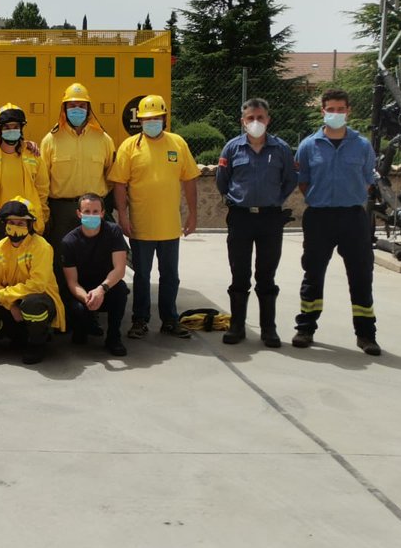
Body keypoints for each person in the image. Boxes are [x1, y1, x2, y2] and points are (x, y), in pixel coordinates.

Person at [292, 88, 381, 355]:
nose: (335, 114)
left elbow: (368, 181)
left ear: (348, 111)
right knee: (313, 273)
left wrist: (348, 197)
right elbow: (303, 182)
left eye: (340, 109)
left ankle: (366, 335)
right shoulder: (309, 145)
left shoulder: (362, 145)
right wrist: (322, 200)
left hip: (353, 217)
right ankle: (305, 328)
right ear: (323, 111)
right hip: (319, 217)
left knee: (361, 275)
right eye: (330, 109)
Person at [110, 94, 199, 339]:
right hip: (141, 226)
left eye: (156, 118)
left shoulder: (178, 143)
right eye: (146, 119)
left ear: (164, 118)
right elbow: (119, 184)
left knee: (170, 276)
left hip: (170, 226)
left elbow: (189, 179)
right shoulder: (130, 146)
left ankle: (170, 319)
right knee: (141, 276)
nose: (151, 122)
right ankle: (140, 319)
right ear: (140, 120)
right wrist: (123, 217)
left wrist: (193, 214)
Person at [215, 97, 298, 348]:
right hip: (240, 218)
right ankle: (237, 326)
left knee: (267, 275)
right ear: (243, 121)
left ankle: (268, 329)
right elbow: (222, 180)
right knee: (239, 274)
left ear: (268, 119)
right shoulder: (232, 148)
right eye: (250, 118)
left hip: (270, 219)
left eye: (260, 118)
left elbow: (290, 180)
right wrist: (234, 199)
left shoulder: (281, 148)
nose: (255, 122)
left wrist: (274, 200)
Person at [41, 83, 116, 296]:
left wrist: (97, 201)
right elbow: (42, 179)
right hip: (62, 210)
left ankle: (91, 307)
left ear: (89, 108)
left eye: (81, 105)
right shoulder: (51, 140)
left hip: (93, 210)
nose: (77, 109)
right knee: (61, 259)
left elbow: (111, 175)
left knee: (94, 259)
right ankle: (63, 308)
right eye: (72, 105)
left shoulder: (103, 139)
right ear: (64, 109)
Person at [0, 197, 65, 364]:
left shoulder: (42, 247)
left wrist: (3, 296)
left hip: (40, 299)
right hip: (10, 303)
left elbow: (37, 285)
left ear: (30, 225)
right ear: (5, 224)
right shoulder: (0, 247)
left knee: (31, 305)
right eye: (11, 222)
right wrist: (11, 305)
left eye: (21, 223)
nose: (15, 227)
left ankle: (36, 343)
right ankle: (16, 335)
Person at [0, 103, 50, 271]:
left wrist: (41, 215)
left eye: (15, 127)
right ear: (0, 129)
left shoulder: (34, 157)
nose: (11, 130)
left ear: (21, 128)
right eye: (7, 127)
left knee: (26, 267)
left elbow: (43, 191)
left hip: (26, 220)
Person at [61, 192, 130, 356]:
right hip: (82, 291)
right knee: (78, 316)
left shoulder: (113, 232)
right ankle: (83, 325)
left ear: (102, 213)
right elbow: (72, 282)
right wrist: (87, 299)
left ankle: (114, 337)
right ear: (79, 214)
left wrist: (101, 290)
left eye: (95, 211)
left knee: (120, 290)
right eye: (86, 212)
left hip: (106, 287)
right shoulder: (69, 241)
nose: (91, 215)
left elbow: (120, 270)